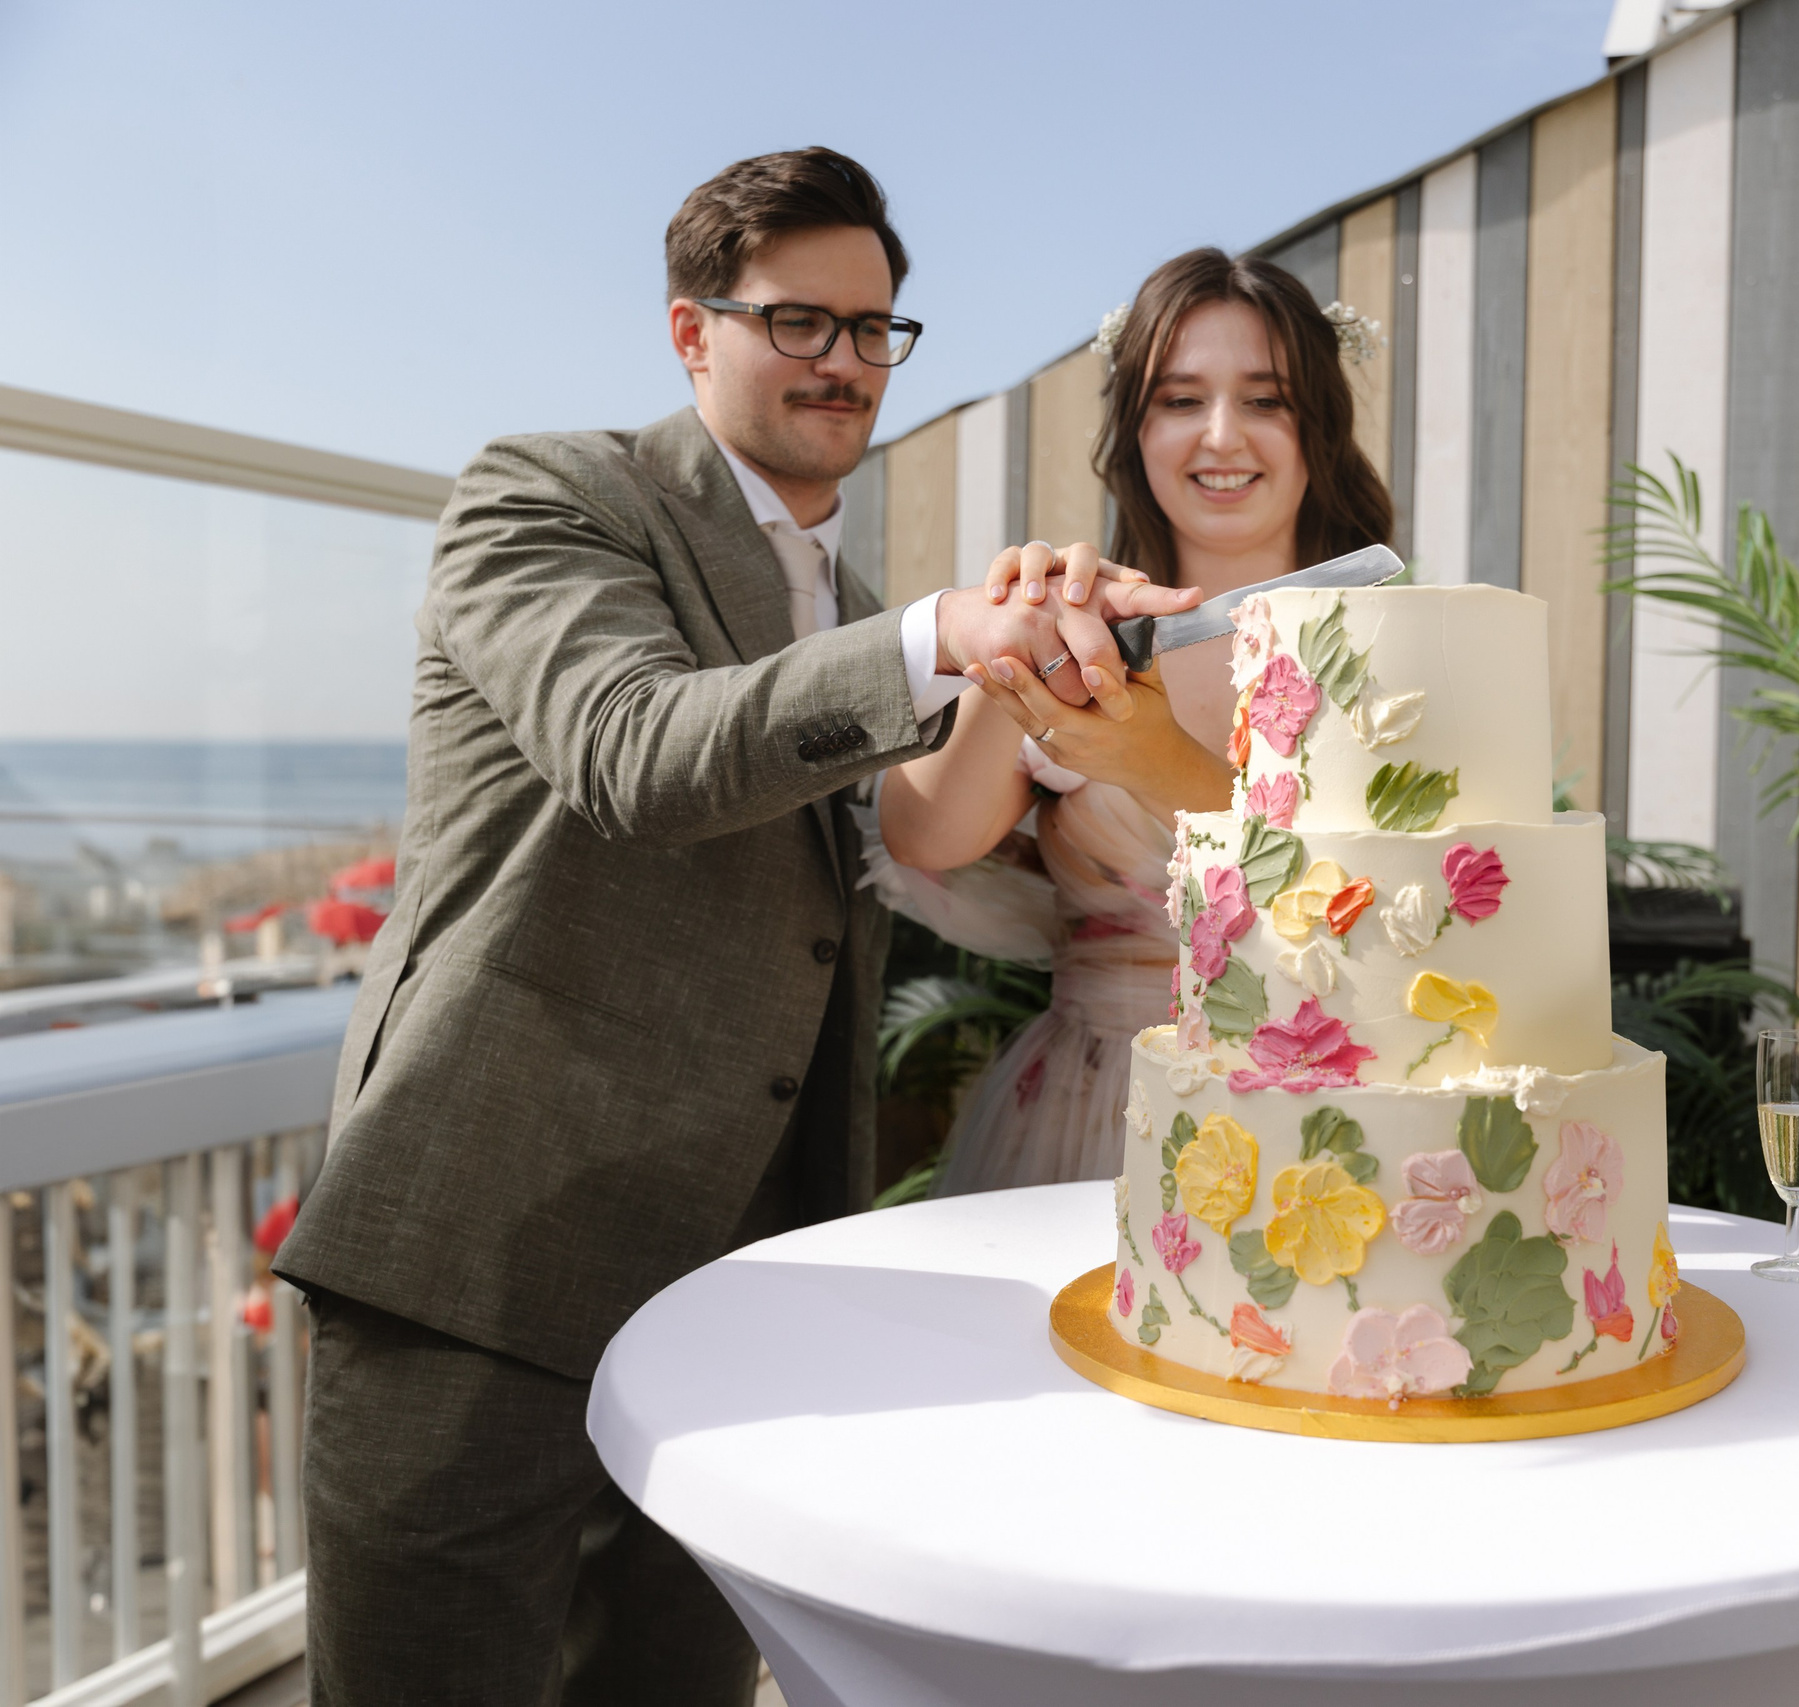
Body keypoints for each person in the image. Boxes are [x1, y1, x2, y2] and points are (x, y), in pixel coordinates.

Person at [271, 147, 1196, 1706]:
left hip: (731, 1293)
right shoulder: (550, 493)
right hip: (488, 1255)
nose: (845, 360)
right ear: (692, 332)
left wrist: (1038, 678)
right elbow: (636, 750)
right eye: (798, 321)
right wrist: (941, 635)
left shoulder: (848, 600)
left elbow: (895, 855)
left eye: (873, 328)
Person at [873, 248, 1392, 1194]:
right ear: (1135, 430)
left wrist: (1156, 761)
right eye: (1181, 399)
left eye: (1266, 400)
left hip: (1327, 1127)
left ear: (1319, 424)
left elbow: (1393, 917)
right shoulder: (1085, 633)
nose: (1222, 436)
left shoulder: (1403, 645)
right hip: (1086, 1120)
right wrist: (1022, 630)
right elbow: (923, 836)